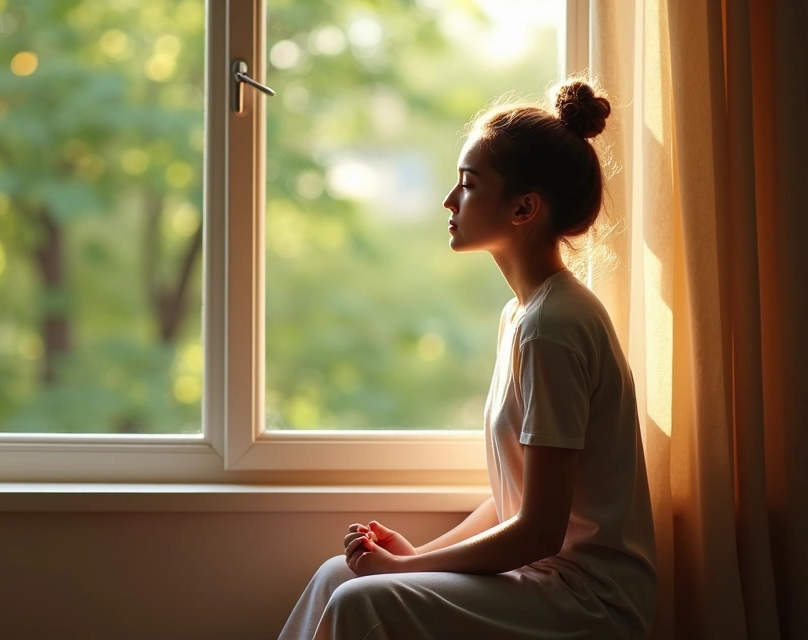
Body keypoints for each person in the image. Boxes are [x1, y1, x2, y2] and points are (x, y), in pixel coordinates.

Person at [277, 79, 657, 640]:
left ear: (524, 207)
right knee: (340, 575)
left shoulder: (553, 328)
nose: (449, 202)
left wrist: (407, 570)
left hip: (589, 601)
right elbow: (518, 501)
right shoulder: (522, 317)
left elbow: (538, 531)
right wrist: (420, 554)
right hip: (542, 578)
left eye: (469, 185)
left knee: (364, 600)